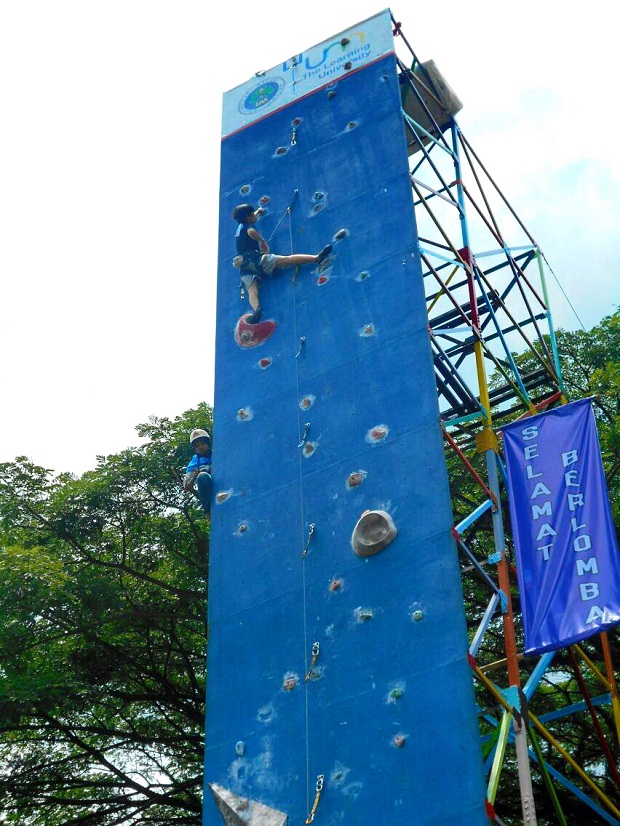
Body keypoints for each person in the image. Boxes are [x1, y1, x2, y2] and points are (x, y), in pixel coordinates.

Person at [232, 203, 332, 323]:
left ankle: (256, 310)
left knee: (252, 290)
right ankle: (316, 258)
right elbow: (252, 232)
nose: (254, 215)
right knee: (286, 260)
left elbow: (251, 221)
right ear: (248, 217)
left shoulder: (239, 228)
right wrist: (262, 241)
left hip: (245, 268)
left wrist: (258, 211)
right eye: (252, 214)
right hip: (257, 260)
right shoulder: (248, 227)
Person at [183, 429, 212, 516]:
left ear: (208, 443)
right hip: (209, 489)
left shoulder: (217, 454)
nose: (200, 447)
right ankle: (208, 511)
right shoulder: (195, 461)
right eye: (197, 446)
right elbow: (187, 487)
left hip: (223, 483)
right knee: (202, 476)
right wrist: (194, 477)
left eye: (203, 444)